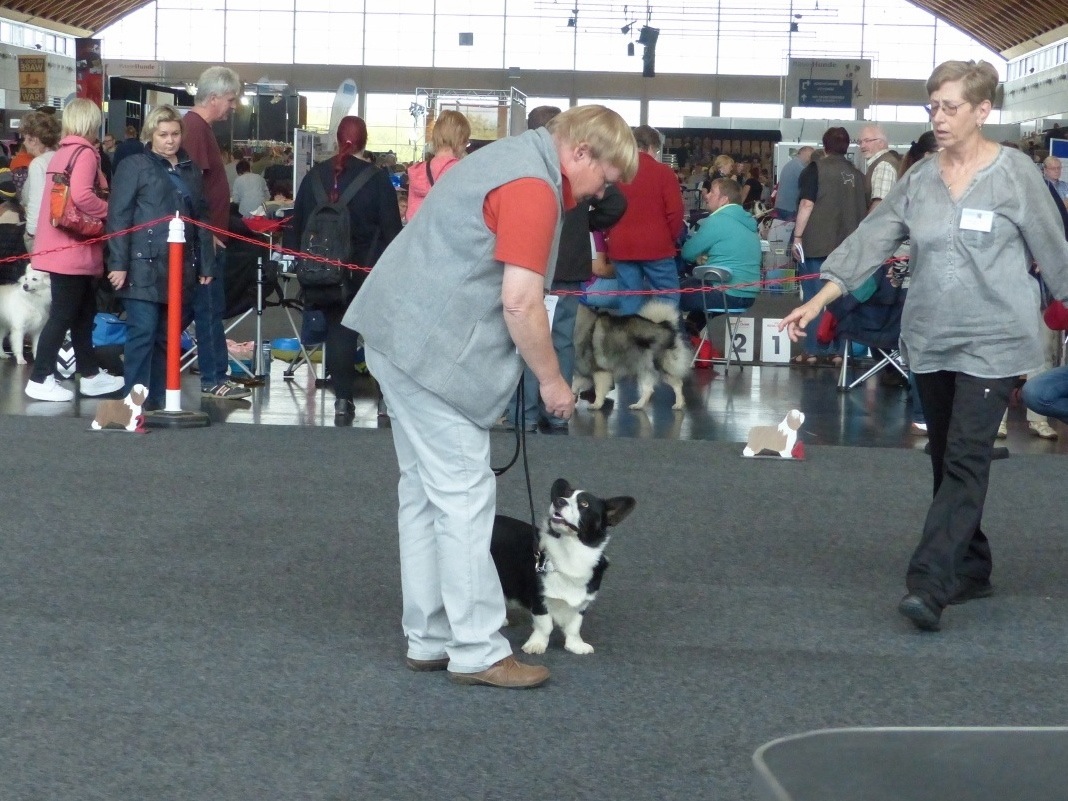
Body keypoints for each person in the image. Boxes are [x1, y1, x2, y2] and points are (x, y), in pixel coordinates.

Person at [344, 105, 637, 688]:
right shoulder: (532, 187)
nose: (601, 192)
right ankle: (477, 649)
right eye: (604, 178)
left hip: (396, 333)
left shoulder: (507, 156)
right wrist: (552, 381)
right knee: (463, 499)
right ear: (580, 152)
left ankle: (429, 637)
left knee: (424, 496)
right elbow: (521, 303)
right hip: (429, 354)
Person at [779, 60, 1068, 633]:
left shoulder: (1015, 174)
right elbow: (872, 238)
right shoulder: (919, 179)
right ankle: (973, 566)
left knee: (964, 456)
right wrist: (819, 299)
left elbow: (1055, 252)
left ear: (982, 111)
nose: (938, 117)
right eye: (933, 106)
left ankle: (930, 583)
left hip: (994, 341)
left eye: (950, 106)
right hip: (930, 338)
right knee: (945, 458)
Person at [506, 104, 627, 432]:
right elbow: (617, 202)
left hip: (534, 266)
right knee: (561, 340)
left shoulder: (531, 168)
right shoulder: (580, 171)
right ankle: (556, 414)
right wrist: (587, 222)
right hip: (571, 266)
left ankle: (524, 415)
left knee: (527, 342)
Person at [284, 115, 402, 425]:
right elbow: (392, 231)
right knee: (378, 337)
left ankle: (342, 401)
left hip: (327, 273)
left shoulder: (314, 177)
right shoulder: (377, 180)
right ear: (366, 141)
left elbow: (297, 226)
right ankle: (384, 401)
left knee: (339, 331)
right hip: (369, 270)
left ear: (337, 139)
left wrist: (302, 266)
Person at [106, 105, 215, 409]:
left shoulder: (191, 169)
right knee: (142, 333)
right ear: (150, 135)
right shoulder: (134, 166)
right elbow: (118, 216)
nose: (170, 140)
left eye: (175, 134)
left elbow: (201, 218)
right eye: (163, 134)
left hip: (181, 266)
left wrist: (206, 262)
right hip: (141, 265)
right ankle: (133, 404)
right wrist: (118, 263)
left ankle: (156, 401)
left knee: (167, 337)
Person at [25, 99, 124, 402]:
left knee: (81, 313)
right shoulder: (86, 154)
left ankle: (90, 374)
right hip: (74, 249)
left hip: (58, 246)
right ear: (92, 123)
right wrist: (111, 211)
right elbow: (82, 196)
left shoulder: (61, 153)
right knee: (65, 315)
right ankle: (40, 377)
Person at [181, 66, 251, 400]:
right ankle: (213, 378)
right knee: (208, 309)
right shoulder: (195, 129)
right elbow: (189, 186)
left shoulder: (200, 129)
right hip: (205, 240)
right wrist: (203, 232)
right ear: (213, 97)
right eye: (230, 99)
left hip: (208, 236)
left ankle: (214, 374)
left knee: (204, 308)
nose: (233, 106)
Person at [790, 126, 867, 366]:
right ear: (847, 147)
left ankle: (812, 351)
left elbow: (806, 204)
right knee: (842, 299)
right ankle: (839, 352)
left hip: (817, 244)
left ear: (824, 146)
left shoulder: (816, 169)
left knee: (814, 297)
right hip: (849, 248)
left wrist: (798, 237)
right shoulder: (858, 175)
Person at [607, 124, 684, 316]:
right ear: (652, 147)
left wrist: (611, 234)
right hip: (657, 246)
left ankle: (631, 336)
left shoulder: (617, 172)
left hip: (622, 245)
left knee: (629, 299)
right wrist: (669, 238)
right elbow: (675, 212)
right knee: (667, 298)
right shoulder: (664, 172)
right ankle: (661, 334)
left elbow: (606, 209)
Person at [678, 177, 762, 333]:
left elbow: (687, 253)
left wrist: (699, 256)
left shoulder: (716, 220)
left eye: (712, 192)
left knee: (669, 294)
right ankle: (691, 339)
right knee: (697, 302)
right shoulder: (748, 222)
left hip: (725, 293)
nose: (707, 195)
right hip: (748, 296)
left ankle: (677, 342)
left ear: (724, 200)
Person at [405, 110, 470, 219]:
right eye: (466, 142)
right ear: (460, 140)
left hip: (419, 229)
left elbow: (410, 214)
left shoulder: (418, 171)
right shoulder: (460, 170)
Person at [18, 110, 61, 253]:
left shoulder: (38, 164)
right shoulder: (59, 157)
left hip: (41, 233)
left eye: (25, 138)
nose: (24, 142)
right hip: (58, 231)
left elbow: (37, 202)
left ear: (34, 140)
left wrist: (31, 233)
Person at [858, 124, 901, 212]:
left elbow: (880, 205)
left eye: (867, 141)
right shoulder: (881, 163)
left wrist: (868, 221)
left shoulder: (883, 165)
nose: (862, 146)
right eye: (860, 142)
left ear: (881, 143)